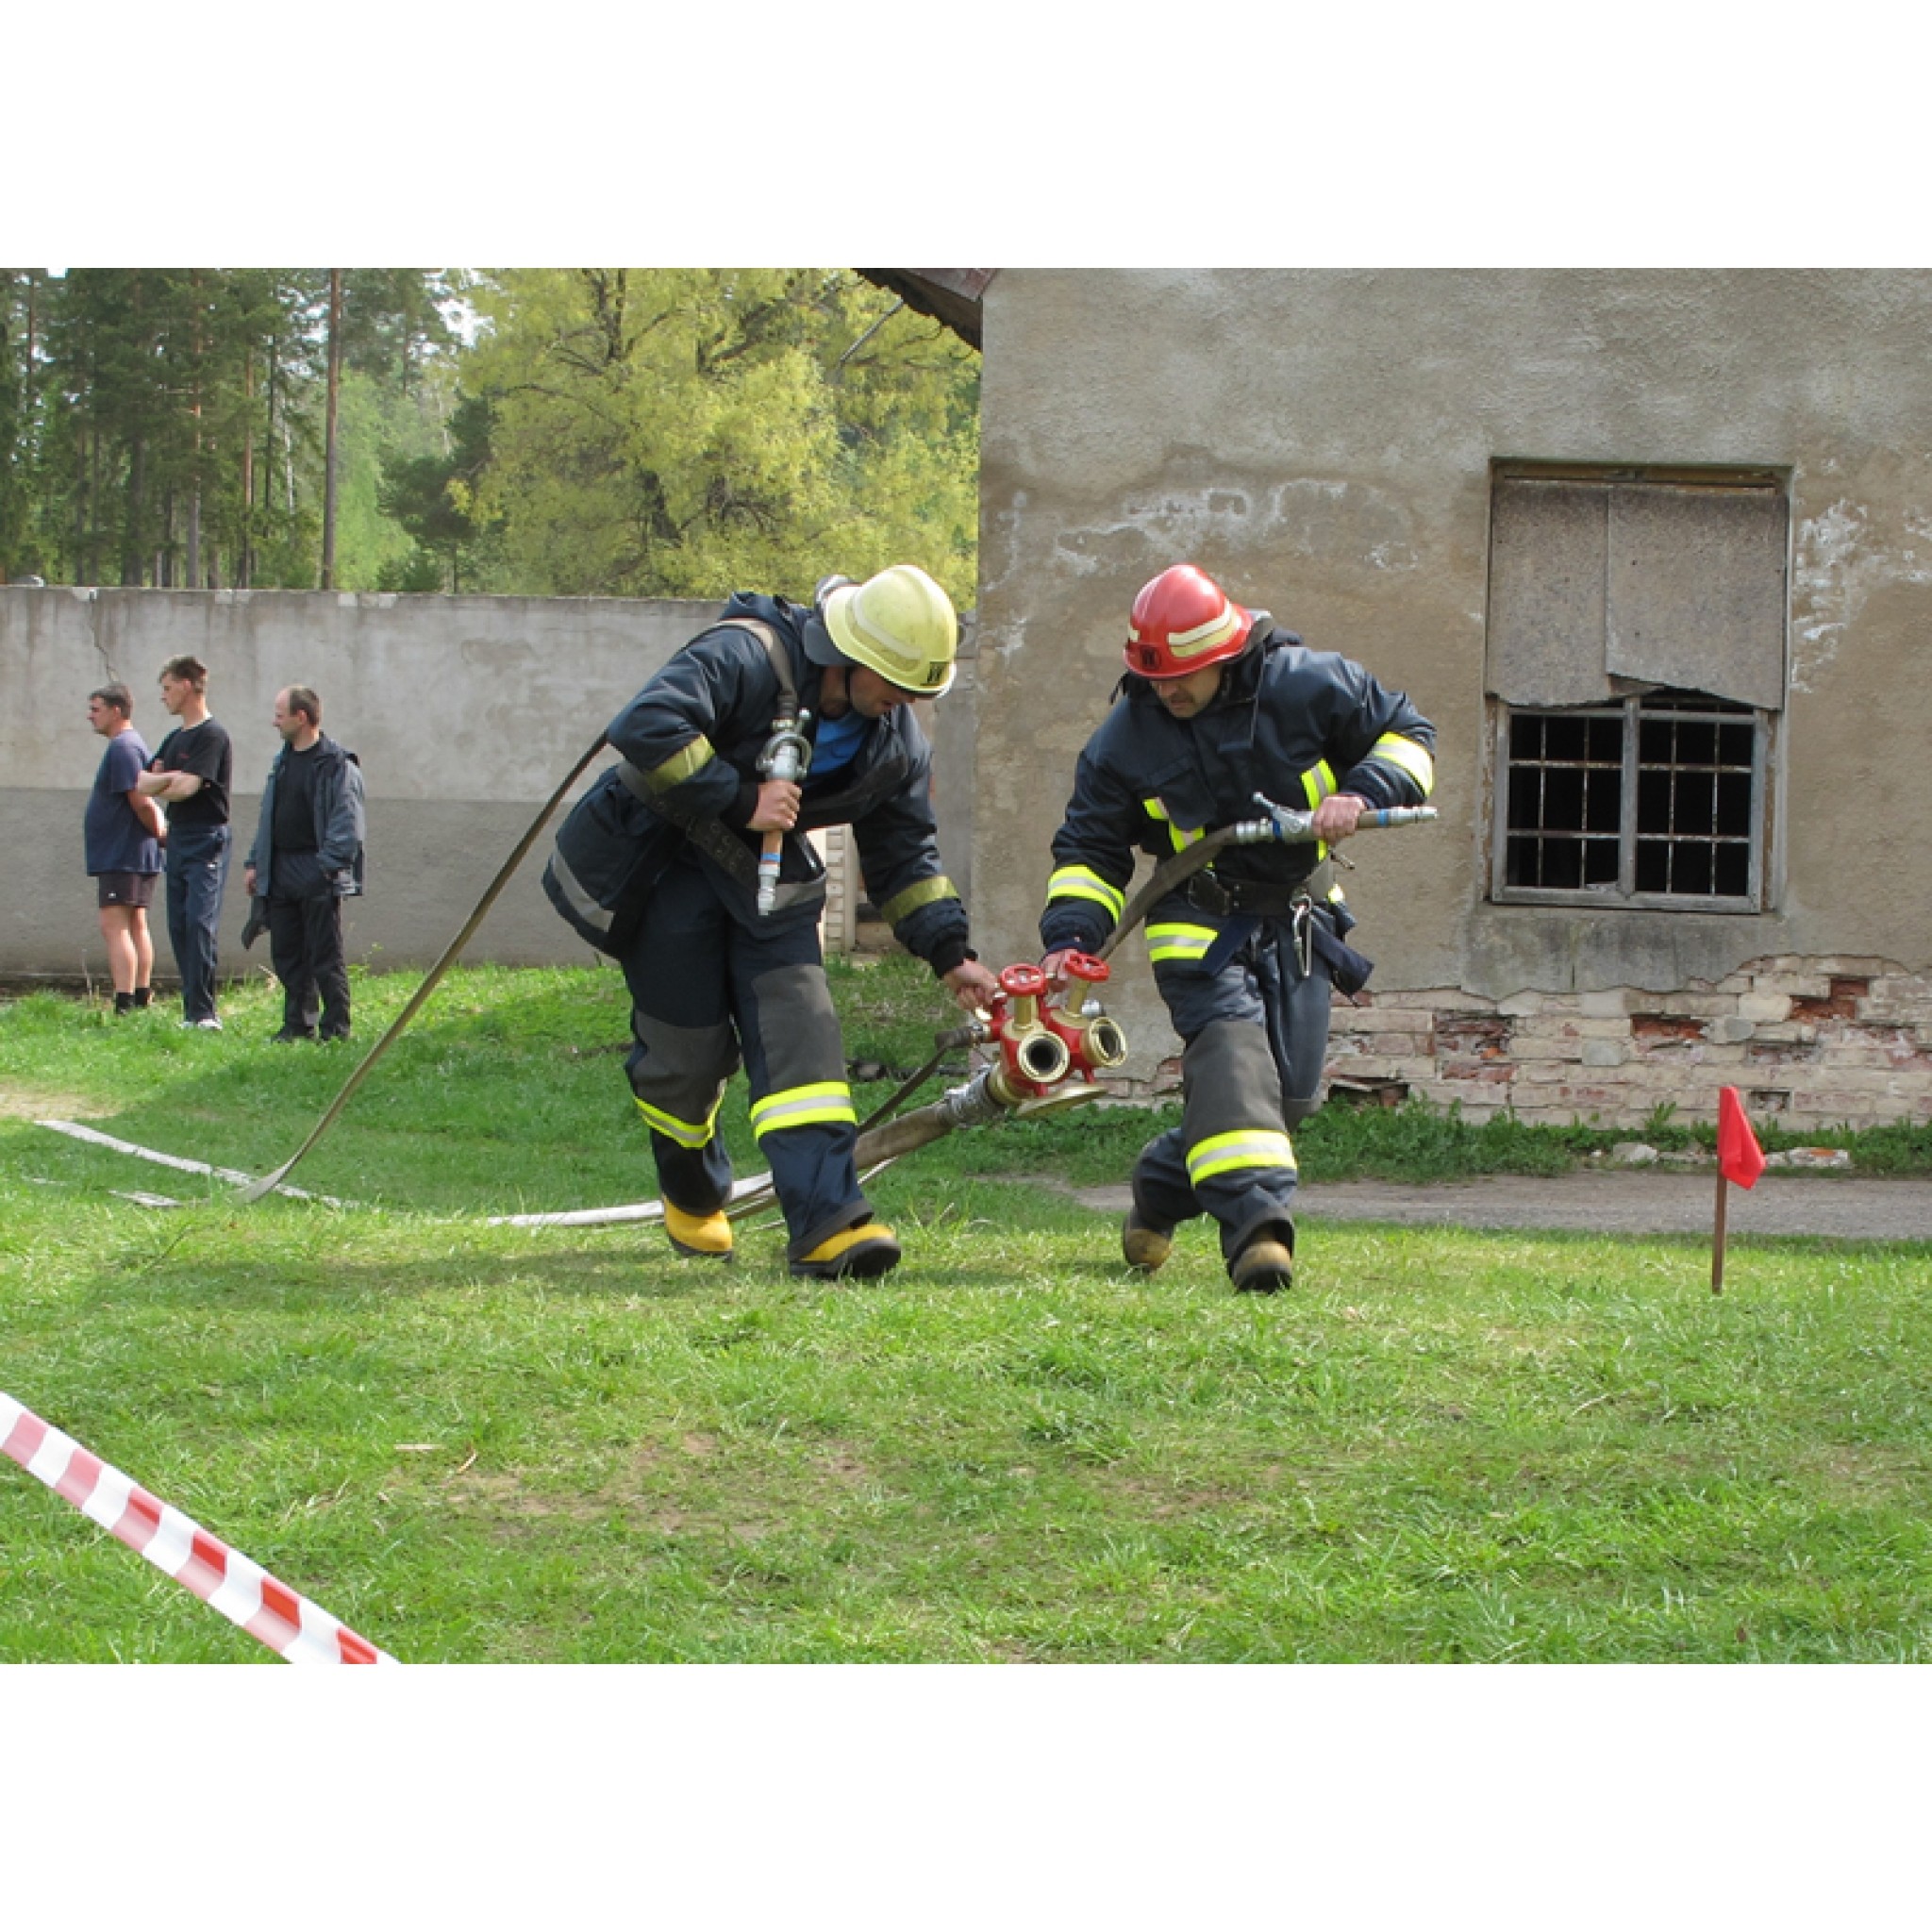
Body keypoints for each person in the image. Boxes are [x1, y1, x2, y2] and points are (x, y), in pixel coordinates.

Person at [544, 563, 1000, 1279]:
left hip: (770, 888)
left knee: (803, 1040)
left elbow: (906, 857)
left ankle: (827, 1225)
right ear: (848, 657)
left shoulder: (894, 743)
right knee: (684, 1058)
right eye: (893, 685)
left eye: (915, 693)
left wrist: (952, 954)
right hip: (667, 871)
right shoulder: (747, 655)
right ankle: (693, 1191)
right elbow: (646, 724)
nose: (901, 704)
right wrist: (739, 796)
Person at [1037, 563, 1436, 1293]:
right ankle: (1259, 1232)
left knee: (1284, 1100)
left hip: (1300, 918)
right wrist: (1071, 936)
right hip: (1198, 926)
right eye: (1152, 678)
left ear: (1225, 654)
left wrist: (1363, 791)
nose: (1167, 691)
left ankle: (1159, 1186)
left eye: (1182, 676)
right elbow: (1090, 851)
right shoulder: (1124, 740)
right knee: (1232, 1057)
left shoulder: (1310, 685)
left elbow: (1407, 734)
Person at [242, 685, 366, 1042]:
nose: (273, 722)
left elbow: (347, 823)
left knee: (324, 955)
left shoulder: (336, 764)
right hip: (280, 871)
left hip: (316, 871)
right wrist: (255, 863)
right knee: (287, 953)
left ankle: (336, 1027)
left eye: (280, 715)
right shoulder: (281, 762)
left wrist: (325, 867)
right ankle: (298, 1024)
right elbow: (268, 817)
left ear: (302, 717)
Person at [136, 655, 234, 1030]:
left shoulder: (212, 735)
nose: (163, 696)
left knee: (199, 923)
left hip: (206, 838)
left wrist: (169, 779)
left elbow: (188, 788)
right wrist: (170, 779)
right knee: (178, 924)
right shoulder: (175, 739)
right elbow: (142, 783)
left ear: (187, 685)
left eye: (167, 687)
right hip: (176, 838)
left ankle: (205, 1013)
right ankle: (190, 1011)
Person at [83, 683, 165, 1014]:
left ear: (117, 710)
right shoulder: (130, 746)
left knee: (114, 925)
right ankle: (140, 996)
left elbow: (141, 800)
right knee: (134, 924)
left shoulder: (123, 747)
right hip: (130, 852)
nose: (90, 716)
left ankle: (125, 1002)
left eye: (96, 709)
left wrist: (158, 830)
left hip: (124, 853)